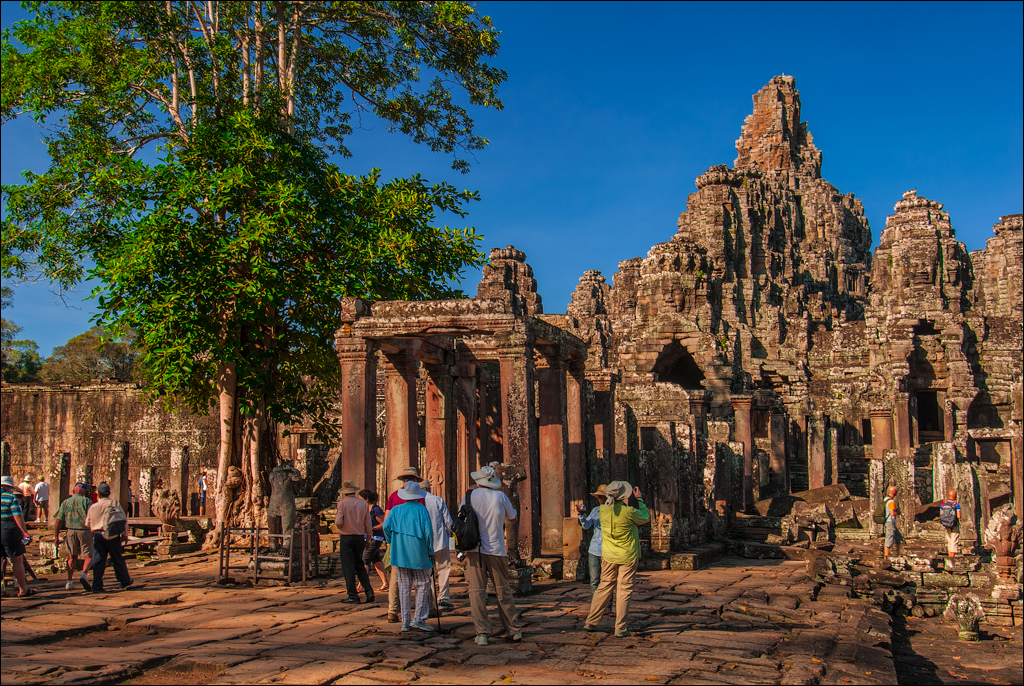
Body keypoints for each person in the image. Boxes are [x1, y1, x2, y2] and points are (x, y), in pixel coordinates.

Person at [462, 465, 523, 646]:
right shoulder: (501, 496)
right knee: (503, 590)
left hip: (474, 550)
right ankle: (514, 629)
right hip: (497, 549)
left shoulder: (469, 496)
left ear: (478, 481)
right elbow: (513, 518)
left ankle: (482, 633)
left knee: (476, 592)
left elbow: (461, 518)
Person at [584, 480, 650, 638]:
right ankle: (620, 628)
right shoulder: (629, 512)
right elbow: (645, 517)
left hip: (608, 555)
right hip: (627, 555)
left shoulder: (602, 511)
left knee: (604, 586)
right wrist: (639, 499)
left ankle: (591, 621)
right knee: (624, 590)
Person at [382, 480, 435, 633]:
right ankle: (418, 618)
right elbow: (428, 533)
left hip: (400, 553)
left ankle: (405, 621)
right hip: (418, 552)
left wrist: (391, 539)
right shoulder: (421, 510)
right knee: (423, 584)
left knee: (404, 587)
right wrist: (430, 550)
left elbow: (386, 526)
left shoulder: (396, 510)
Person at [384, 466, 425, 622]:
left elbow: (386, 524)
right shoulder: (420, 500)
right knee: (420, 579)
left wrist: (390, 540)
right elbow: (426, 528)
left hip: (398, 544)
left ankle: (393, 610)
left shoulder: (394, 497)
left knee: (396, 578)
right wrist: (429, 546)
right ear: (415, 480)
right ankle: (419, 614)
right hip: (416, 544)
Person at [86, 482, 132, 593]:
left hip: (98, 534)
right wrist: (125, 534)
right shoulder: (114, 504)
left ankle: (97, 585)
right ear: (109, 493)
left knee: (98, 560)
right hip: (112, 534)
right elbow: (123, 519)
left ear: (98, 494)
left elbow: (87, 523)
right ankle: (124, 580)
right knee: (116, 558)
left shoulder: (93, 507)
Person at [335, 480, 375, 604]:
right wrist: (368, 538)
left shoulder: (342, 504)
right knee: (360, 565)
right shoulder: (363, 503)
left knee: (348, 567)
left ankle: (353, 594)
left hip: (346, 537)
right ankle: (369, 591)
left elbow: (338, 522)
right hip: (359, 537)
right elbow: (368, 523)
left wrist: (341, 526)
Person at [578, 484, 612, 614]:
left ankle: (608, 607)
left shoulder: (612, 511)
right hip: (594, 549)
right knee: (594, 581)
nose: (599, 499)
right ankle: (596, 607)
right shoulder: (595, 510)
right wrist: (581, 514)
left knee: (607, 581)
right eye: (598, 497)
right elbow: (586, 525)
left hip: (607, 550)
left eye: (601, 497)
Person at [53, 483, 94, 591]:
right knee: (88, 555)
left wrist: (56, 535)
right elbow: (92, 517)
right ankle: (84, 574)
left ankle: (69, 581)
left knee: (72, 556)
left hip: (70, 531)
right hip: (84, 530)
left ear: (73, 490)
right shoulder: (87, 501)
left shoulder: (66, 502)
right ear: (84, 492)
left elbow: (58, 519)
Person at [422, 480, 455, 612]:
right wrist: (449, 536)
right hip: (440, 540)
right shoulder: (437, 500)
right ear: (429, 489)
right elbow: (448, 521)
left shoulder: (417, 502)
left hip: (423, 542)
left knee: (427, 572)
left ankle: (430, 597)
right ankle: (443, 598)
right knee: (443, 569)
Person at [1, 476, 36, 597]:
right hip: (8, 529)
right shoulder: (11, 497)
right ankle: (23, 589)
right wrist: (24, 532)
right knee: (17, 560)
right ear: (8, 487)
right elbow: (18, 516)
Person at [359, 489, 388, 592]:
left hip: (375, 538)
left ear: (366, 500)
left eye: (360, 499)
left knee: (365, 559)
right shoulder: (364, 509)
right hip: (367, 537)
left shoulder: (375, 509)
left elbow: (384, 523)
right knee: (376, 560)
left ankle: (362, 584)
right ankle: (385, 582)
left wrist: (371, 528)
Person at [939, 489, 962, 558]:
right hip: (954, 524)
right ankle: (952, 558)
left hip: (946, 523)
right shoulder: (956, 505)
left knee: (949, 540)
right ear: (955, 496)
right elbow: (959, 516)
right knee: (954, 540)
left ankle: (949, 556)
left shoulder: (943, 504)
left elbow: (941, 515)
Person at [883, 484, 902, 559]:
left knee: (899, 537)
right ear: (895, 493)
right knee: (890, 537)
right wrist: (898, 512)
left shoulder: (885, 499)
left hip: (888, 521)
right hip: (890, 521)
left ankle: (899, 554)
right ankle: (886, 555)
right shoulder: (891, 502)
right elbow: (892, 513)